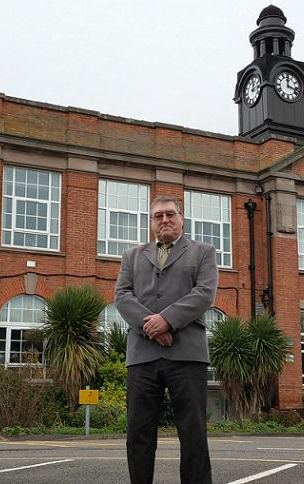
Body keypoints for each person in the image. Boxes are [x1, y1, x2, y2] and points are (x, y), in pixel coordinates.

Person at [115, 195, 218, 484]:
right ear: (151, 223)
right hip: (142, 355)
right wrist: (153, 326)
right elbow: (122, 295)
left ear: (181, 219)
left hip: (187, 355)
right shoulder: (132, 256)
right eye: (158, 216)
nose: (165, 220)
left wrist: (167, 320)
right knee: (138, 433)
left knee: (193, 433)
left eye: (170, 214)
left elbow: (204, 294)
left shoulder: (203, 252)